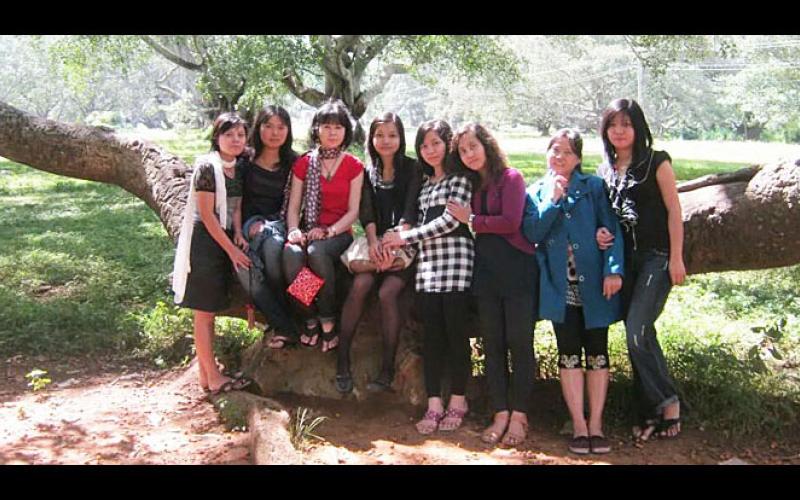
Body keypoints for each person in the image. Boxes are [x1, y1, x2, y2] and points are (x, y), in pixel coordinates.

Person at [526, 128, 624, 455]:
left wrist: (613, 270)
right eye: (555, 150)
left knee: (597, 351)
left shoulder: (593, 187)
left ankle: (596, 424)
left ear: (578, 158)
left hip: (594, 285)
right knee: (567, 351)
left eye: (567, 152)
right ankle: (578, 425)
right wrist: (553, 200)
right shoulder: (535, 192)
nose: (560, 157)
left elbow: (611, 228)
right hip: (559, 287)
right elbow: (533, 232)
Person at [595, 98, 686, 441]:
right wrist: (601, 234)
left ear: (638, 128)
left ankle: (669, 401)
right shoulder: (605, 169)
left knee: (637, 329)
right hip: (625, 262)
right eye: (613, 124)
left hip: (656, 257)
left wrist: (676, 257)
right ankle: (648, 411)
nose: (619, 131)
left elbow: (674, 211)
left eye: (626, 124)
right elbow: (606, 218)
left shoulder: (657, 162)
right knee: (638, 335)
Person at [445, 123, 538, 447]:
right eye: (463, 151)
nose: (469, 154)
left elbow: (511, 222)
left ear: (487, 145)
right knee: (493, 345)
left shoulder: (511, 178)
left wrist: (472, 220)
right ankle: (500, 412)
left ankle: (520, 415)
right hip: (485, 274)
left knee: (519, 343)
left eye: (473, 146)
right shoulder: (470, 185)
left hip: (517, 271)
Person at [383, 120, 474, 435]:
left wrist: (406, 238)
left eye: (436, 143)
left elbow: (450, 222)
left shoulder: (460, 179)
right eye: (424, 145)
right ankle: (434, 403)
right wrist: (398, 241)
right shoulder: (424, 184)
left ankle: (459, 399)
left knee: (456, 334)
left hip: (457, 263)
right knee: (432, 336)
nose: (430, 150)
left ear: (448, 145)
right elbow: (418, 223)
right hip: (428, 266)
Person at [335, 112, 422, 394]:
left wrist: (393, 241)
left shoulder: (412, 168)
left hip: (403, 241)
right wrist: (374, 243)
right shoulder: (366, 171)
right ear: (371, 139)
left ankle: (387, 369)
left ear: (401, 138)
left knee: (387, 293)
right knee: (361, 284)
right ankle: (342, 360)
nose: (386, 141)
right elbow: (367, 213)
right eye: (380, 135)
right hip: (375, 243)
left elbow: (410, 211)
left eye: (392, 135)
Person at [172, 112, 254, 394]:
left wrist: (239, 233)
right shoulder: (207, 167)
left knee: (211, 310)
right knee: (204, 312)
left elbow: (237, 206)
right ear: (217, 137)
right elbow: (207, 215)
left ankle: (207, 376)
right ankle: (213, 376)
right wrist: (231, 251)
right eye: (229, 135)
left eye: (240, 135)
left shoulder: (239, 167)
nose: (235, 140)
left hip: (227, 235)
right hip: (206, 242)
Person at [282, 99, 364, 353]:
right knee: (292, 254)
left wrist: (328, 231)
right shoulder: (305, 163)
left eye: (338, 127)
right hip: (307, 228)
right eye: (326, 126)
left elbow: (353, 212)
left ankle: (327, 319)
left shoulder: (353, 165)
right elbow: (294, 207)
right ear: (316, 129)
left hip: (339, 233)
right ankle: (309, 317)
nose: (332, 133)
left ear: (346, 132)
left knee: (317, 252)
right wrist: (294, 230)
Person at [237, 105, 299, 349]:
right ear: (258, 127)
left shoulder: (295, 162)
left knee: (277, 249)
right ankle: (285, 325)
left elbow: (297, 204)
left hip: (284, 224)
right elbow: (236, 201)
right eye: (268, 126)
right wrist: (248, 225)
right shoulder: (244, 160)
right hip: (249, 226)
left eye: (281, 127)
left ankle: (311, 318)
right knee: (244, 269)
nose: (274, 133)